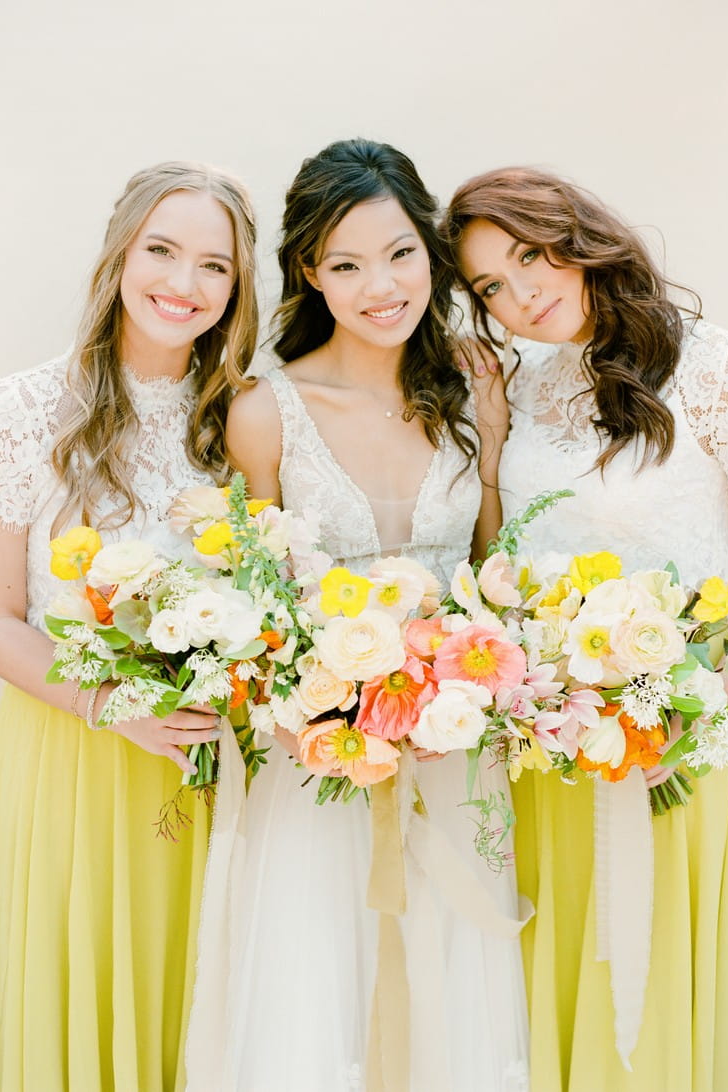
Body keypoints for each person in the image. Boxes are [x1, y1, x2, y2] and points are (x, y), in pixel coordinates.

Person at [185, 138, 531, 1091]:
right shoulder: (266, 410)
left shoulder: (469, 396)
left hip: (459, 751)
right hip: (317, 764)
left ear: (430, 249)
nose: (381, 285)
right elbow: (250, 602)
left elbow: (492, 575)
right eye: (346, 263)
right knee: (313, 999)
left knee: (452, 996)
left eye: (400, 253)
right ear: (311, 273)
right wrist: (324, 705)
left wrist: (492, 449)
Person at [443, 166, 728, 1092]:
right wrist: (495, 446)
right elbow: (498, 561)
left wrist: (715, 689)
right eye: (491, 286)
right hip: (554, 740)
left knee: (665, 972)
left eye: (528, 255)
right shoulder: (523, 383)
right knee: (566, 970)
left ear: (577, 235)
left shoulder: (714, 364)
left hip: (682, 732)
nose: (521, 293)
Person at [0, 161, 258, 1091]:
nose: (184, 284)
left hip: (217, 762)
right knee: (83, 993)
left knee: (202, 1002)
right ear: (119, 254)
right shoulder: (24, 411)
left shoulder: (244, 419)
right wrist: (114, 707)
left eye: (215, 265)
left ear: (239, 287)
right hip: (77, 747)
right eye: (162, 251)